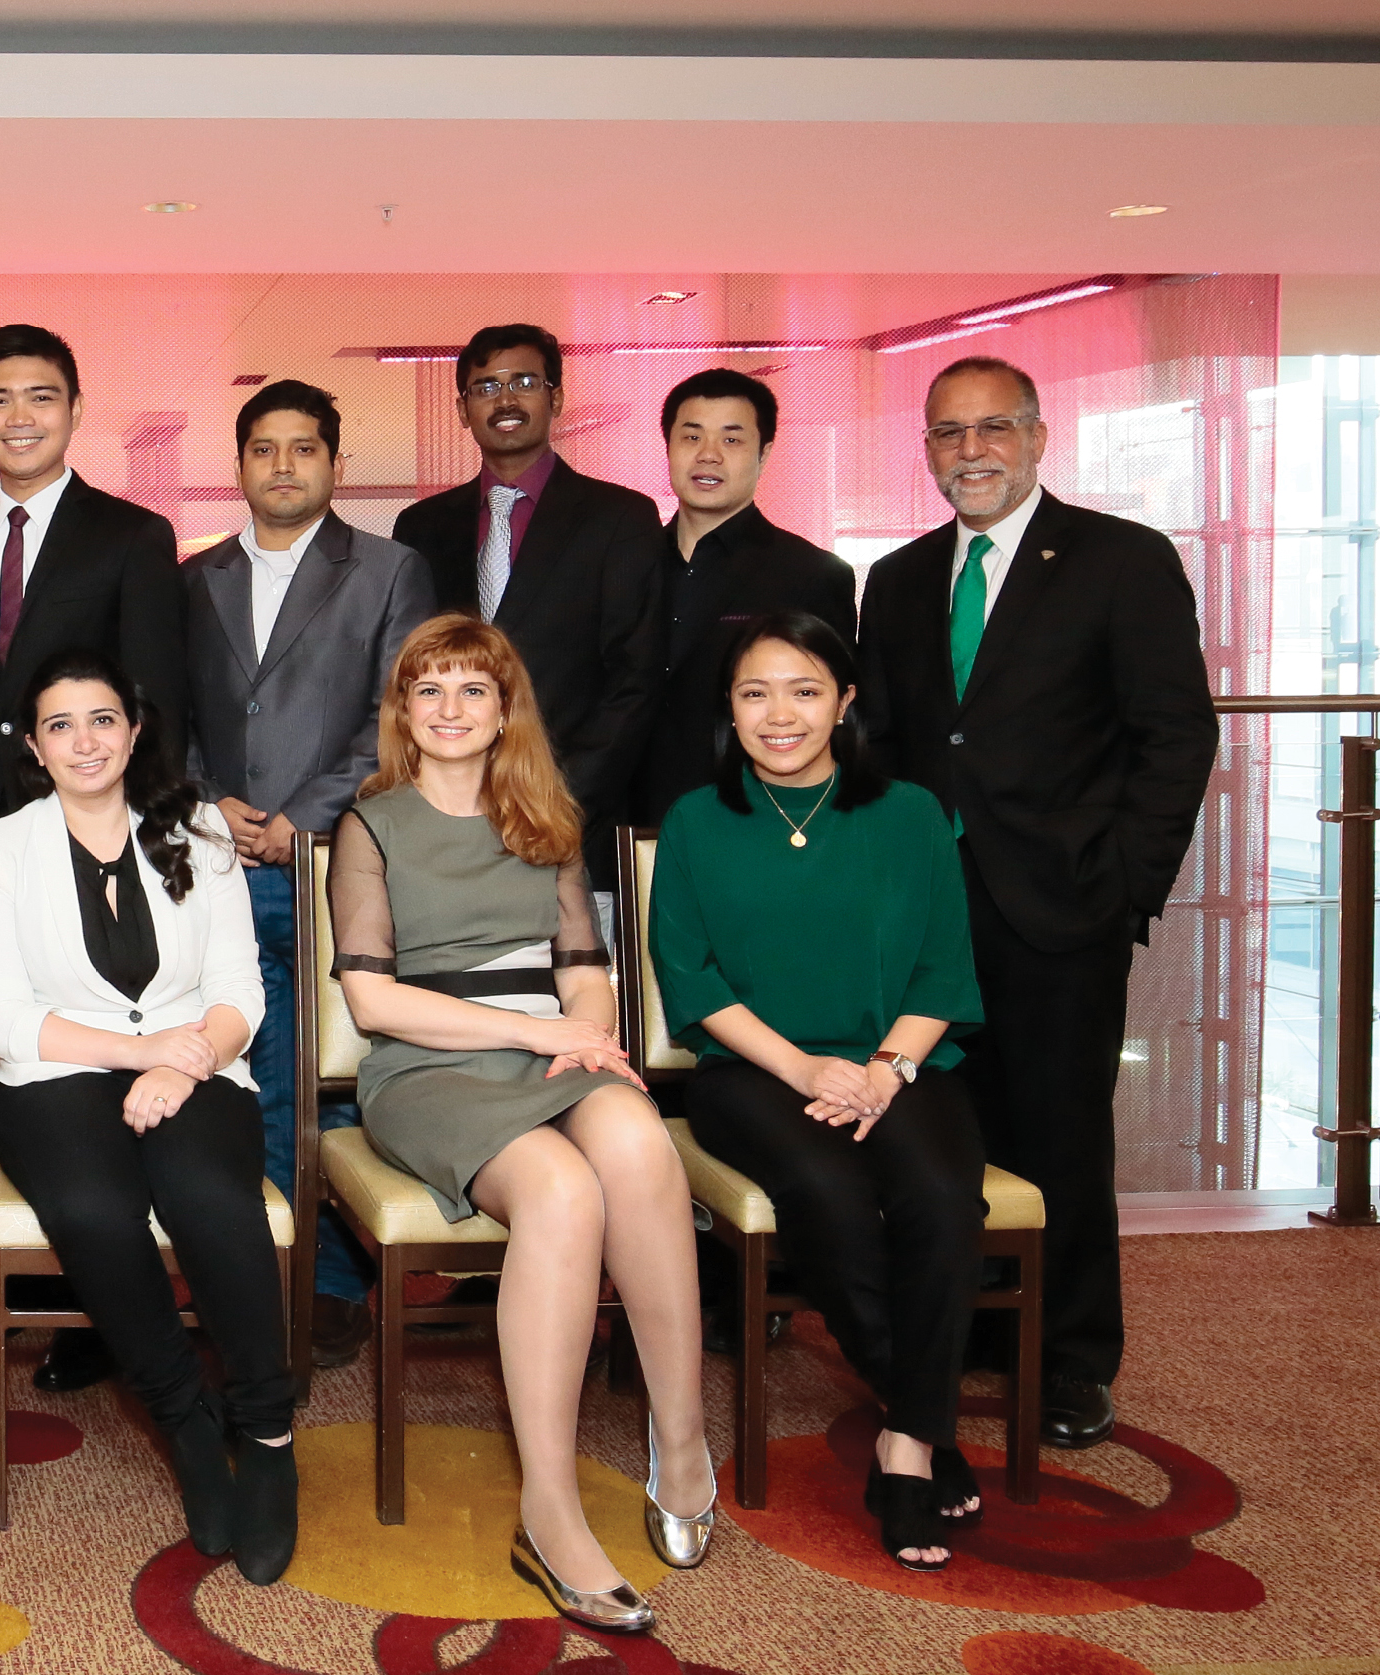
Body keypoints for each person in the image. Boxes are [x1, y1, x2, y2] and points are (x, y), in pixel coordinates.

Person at [855, 356, 1217, 1451]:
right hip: (930, 920)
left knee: (1059, 1141)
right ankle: (965, 1329)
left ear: (1038, 436)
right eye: (949, 433)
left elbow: (1175, 736)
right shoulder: (902, 578)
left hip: (1061, 910)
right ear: (925, 449)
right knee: (944, 1136)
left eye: (994, 429)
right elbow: (890, 746)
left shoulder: (1120, 561)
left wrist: (1124, 887)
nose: (972, 451)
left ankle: (1068, 1362)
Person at [328, 614, 711, 1634]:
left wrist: (588, 1039)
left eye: (472, 689)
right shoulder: (372, 825)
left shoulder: (549, 819)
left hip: (547, 1050)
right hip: (429, 1066)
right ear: (403, 711)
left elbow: (587, 974)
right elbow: (376, 1006)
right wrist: (531, 1031)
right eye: (429, 689)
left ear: (506, 711)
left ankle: (682, 1437)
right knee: (559, 1186)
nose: (450, 708)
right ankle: (548, 1508)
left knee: (636, 1140)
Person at [648, 611, 988, 1572]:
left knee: (935, 1195)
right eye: (754, 692)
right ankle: (924, 1426)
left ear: (844, 702)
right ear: (729, 707)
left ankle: (905, 1439)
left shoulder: (910, 812)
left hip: (899, 1061)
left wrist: (882, 1071)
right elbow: (692, 976)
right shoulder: (696, 820)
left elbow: (941, 970)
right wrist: (799, 1068)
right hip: (751, 1072)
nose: (778, 713)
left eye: (803, 690)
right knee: (830, 1194)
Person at [0, 648, 296, 1585]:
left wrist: (188, 1056)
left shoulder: (196, 828)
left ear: (135, 728)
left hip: (198, 1065)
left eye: (102, 718)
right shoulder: (1, 845)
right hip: (57, 1069)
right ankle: (187, 1420)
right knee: (93, 1209)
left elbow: (239, 988)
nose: (84, 740)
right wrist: (141, 1052)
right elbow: (1, 1016)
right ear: (34, 744)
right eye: (60, 724)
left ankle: (267, 1431)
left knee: (207, 1197)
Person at [0, 323, 183, 1395]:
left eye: (40, 396)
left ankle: (96, 1310)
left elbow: (154, 698)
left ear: (74, 409)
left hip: (94, 838)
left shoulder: (133, 535)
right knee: (10, 1052)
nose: (18, 415)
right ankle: (38, 1269)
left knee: (99, 1049)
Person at [180, 379, 434, 1369]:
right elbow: (175, 716)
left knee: (327, 1078)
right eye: (263, 449)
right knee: (236, 1077)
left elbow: (399, 710)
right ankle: (255, 1267)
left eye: (303, 449)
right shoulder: (192, 577)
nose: (282, 467)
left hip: (338, 867)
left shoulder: (389, 569)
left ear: (335, 463)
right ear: (239, 464)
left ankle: (327, 1282)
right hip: (216, 868)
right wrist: (210, 800)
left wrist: (307, 817)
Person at [389, 324, 663, 895]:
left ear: (555, 398)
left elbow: (635, 680)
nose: (506, 399)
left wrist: (552, 798)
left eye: (524, 382)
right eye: (485, 387)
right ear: (463, 410)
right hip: (447, 823)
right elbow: (413, 676)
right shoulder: (420, 527)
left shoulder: (620, 519)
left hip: (573, 820)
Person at [629, 369, 857, 825]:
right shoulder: (625, 563)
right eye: (691, 437)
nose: (708, 455)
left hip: (755, 820)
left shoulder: (812, 575)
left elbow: (832, 719)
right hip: (628, 826)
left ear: (764, 453)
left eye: (732, 441)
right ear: (669, 447)